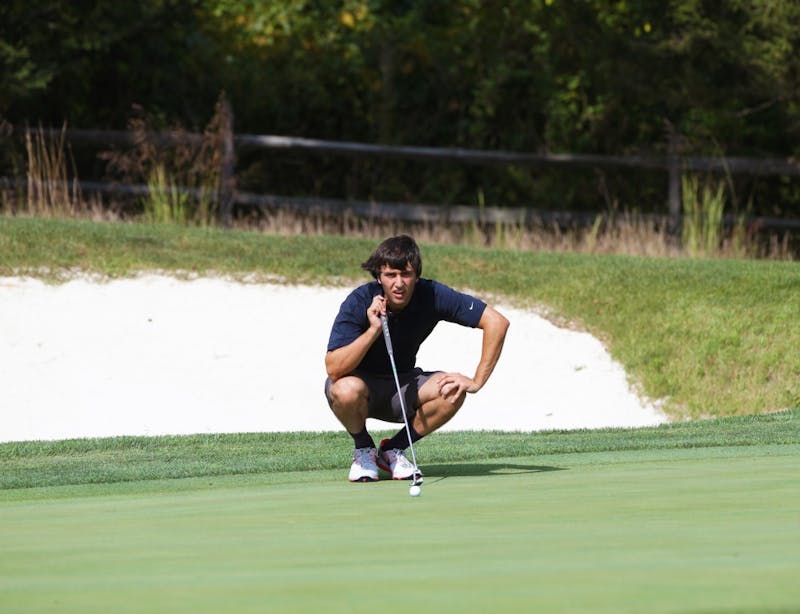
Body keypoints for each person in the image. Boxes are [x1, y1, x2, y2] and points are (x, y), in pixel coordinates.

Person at [324, 235, 510, 482]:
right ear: (379, 277)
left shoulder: (431, 294)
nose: (399, 283)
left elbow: (497, 322)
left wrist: (476, 381)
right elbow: (334, 368)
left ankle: (392, 450)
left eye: (406, 274)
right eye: (391, 275)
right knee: (345, 388)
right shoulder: (359, 300)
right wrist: (373, 330)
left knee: (452, 390)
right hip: (361, 389)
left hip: (403, 387)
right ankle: (364, 449)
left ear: (416, 276)